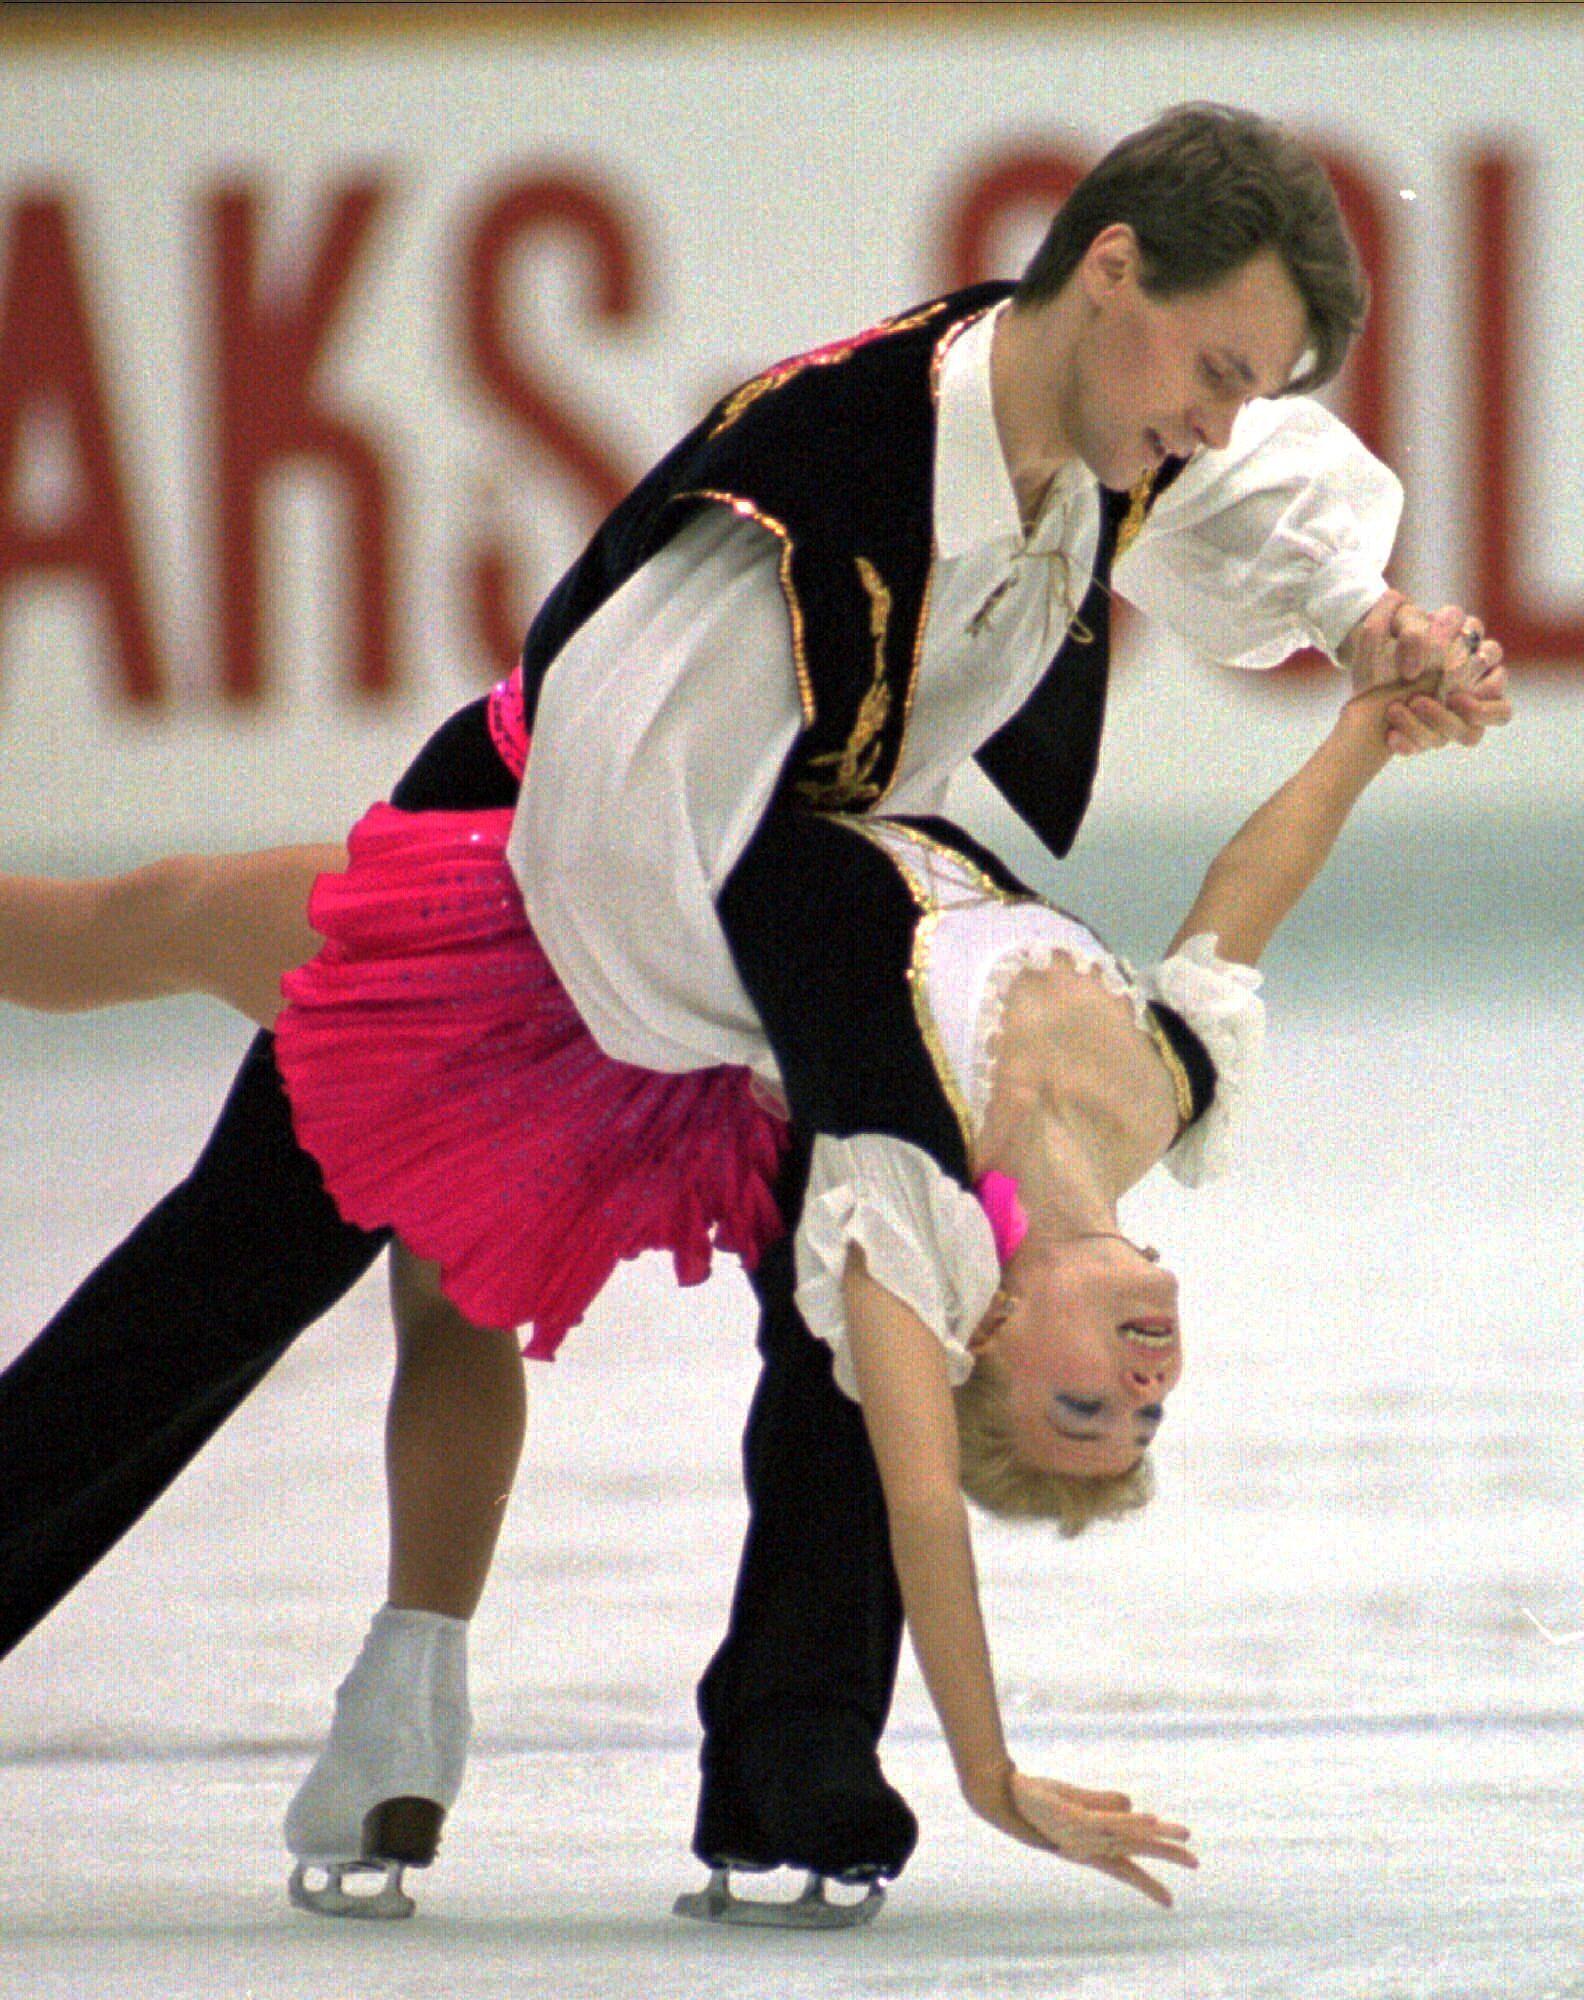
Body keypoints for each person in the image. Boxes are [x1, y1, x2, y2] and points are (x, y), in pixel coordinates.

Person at [0, 102, 1513, 1919]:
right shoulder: (810, 489)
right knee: (234, 1248)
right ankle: (423, 1671)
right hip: (533, 905)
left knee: (860, 1306)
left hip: (765, 967)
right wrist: (844, 1039)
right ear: (1109, 268)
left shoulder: (1112, 419)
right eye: (1213, 367)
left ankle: (793, 1784)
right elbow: (612, 826)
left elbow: (1250, 517)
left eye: (1244, 389)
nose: (1212, 420)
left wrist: (1365, 638)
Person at [0, 660, 1502, 1923]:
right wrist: (1365, 726)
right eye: (1146, 1418)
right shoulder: (1175, 1082)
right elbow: (1247, 891)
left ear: (985, 1335)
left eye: (1084, 1409)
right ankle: (414, 1705)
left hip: (535, 919)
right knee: (428, 1286)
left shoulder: (900, 1216)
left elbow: (919, 1505)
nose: (1144, 1383)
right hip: (655, 903)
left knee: (135, 939)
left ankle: (450, 1714)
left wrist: (987, 1774)